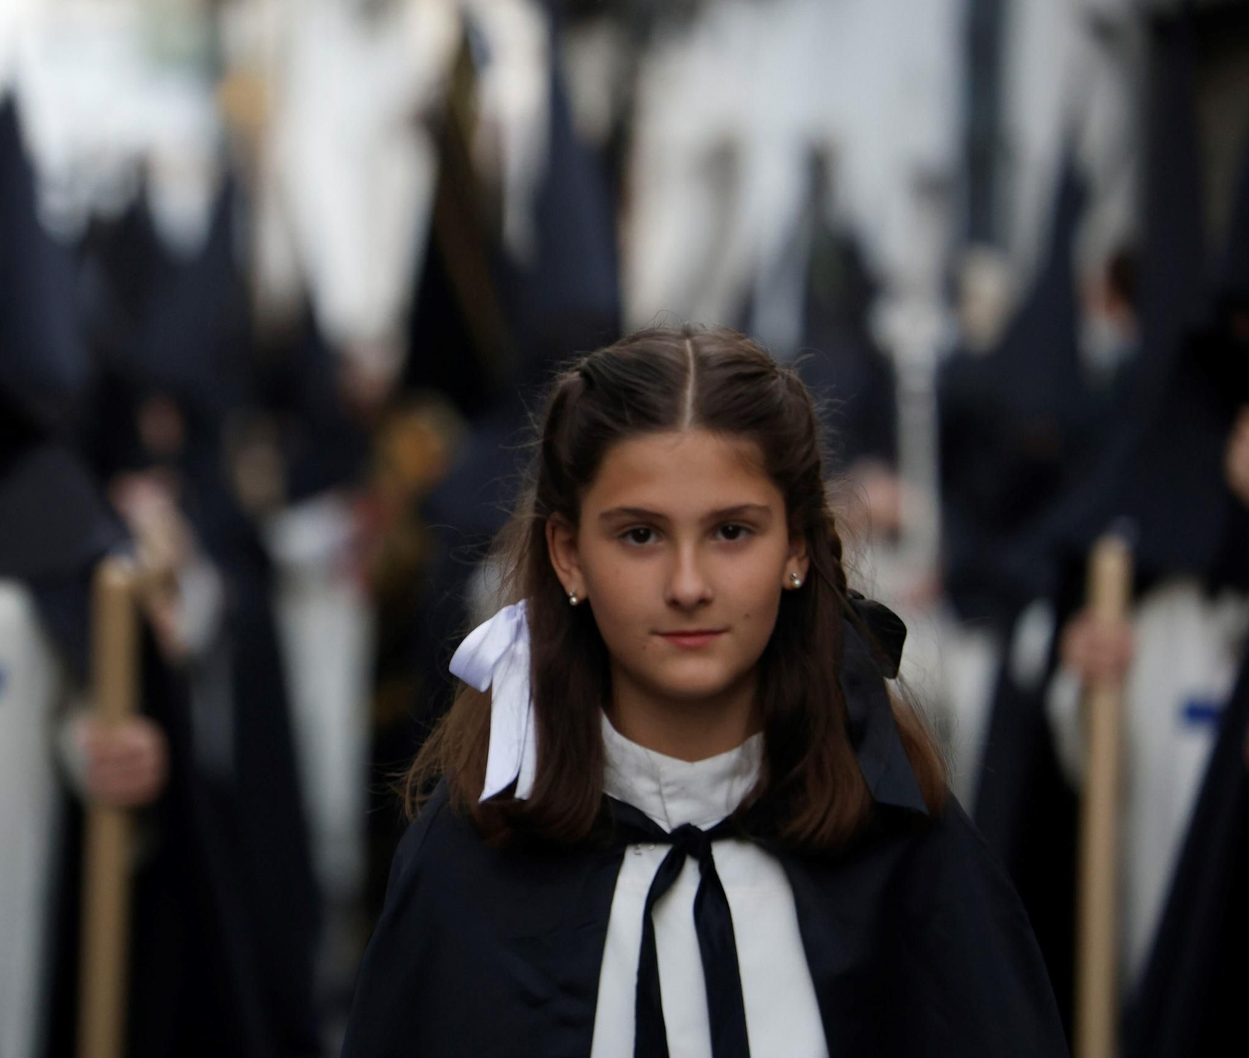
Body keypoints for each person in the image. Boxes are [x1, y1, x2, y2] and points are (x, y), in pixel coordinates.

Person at [342, 326, 1066, 1057]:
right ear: (569, 556)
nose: (688, 586)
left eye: (730, 531)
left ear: (795, 549)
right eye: (640, 536)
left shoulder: (905, 856)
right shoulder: (472, 866)